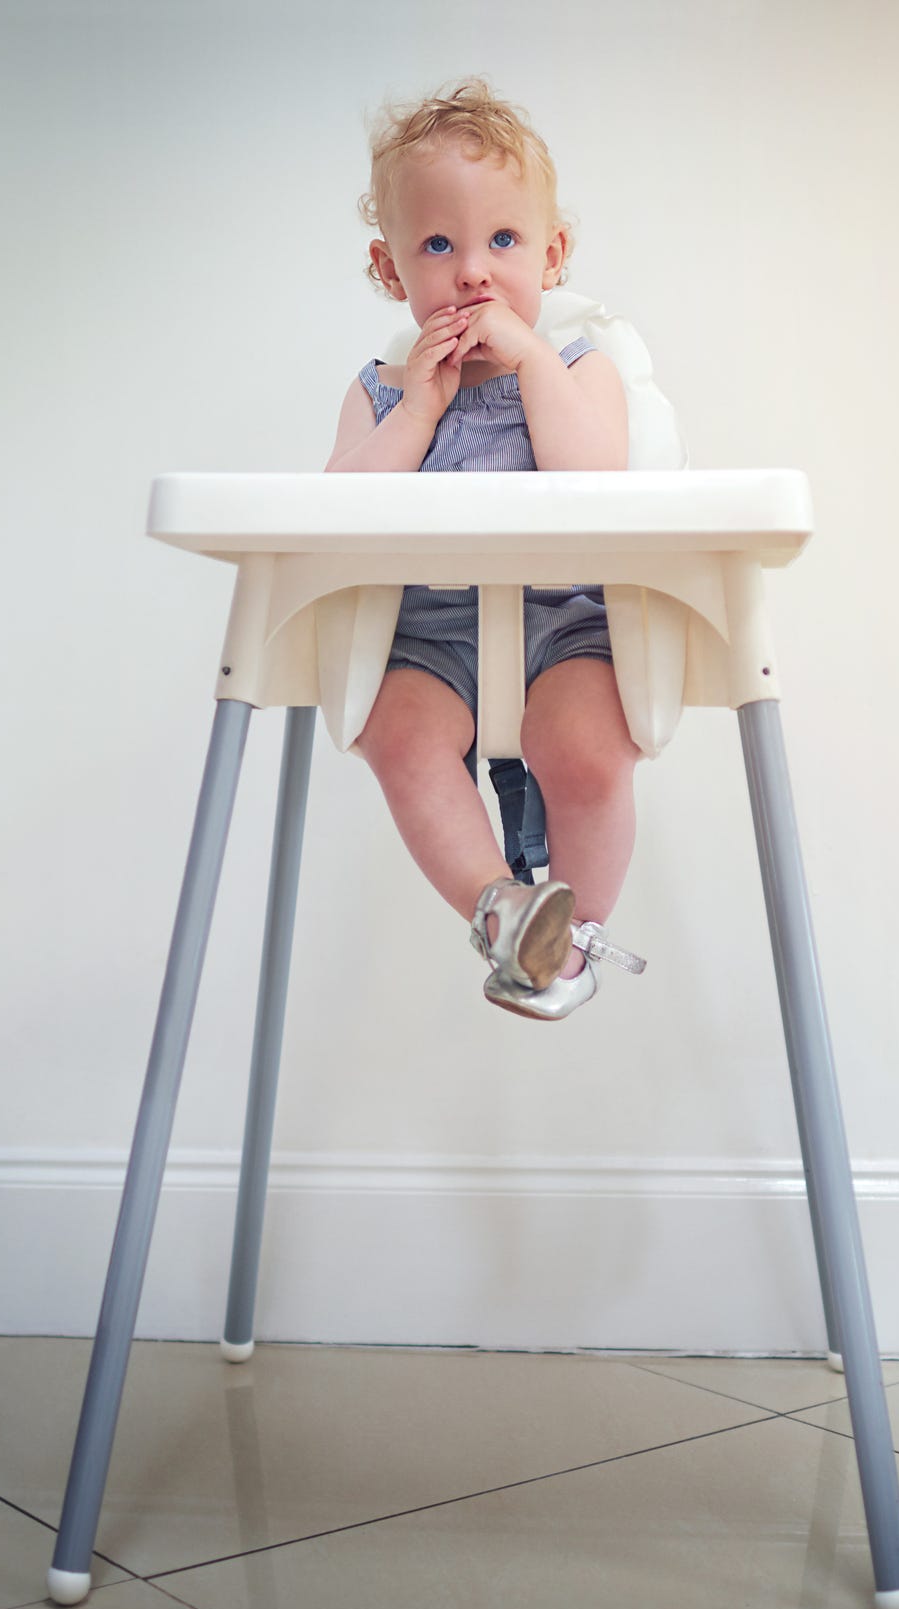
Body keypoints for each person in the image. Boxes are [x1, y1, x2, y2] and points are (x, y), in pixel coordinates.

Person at [323, 78, 644, 1021]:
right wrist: (421, 407)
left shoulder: (585, 369)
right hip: (429, 631)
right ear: (390, 271)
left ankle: (572, 937)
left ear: (553, 255)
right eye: (438, 245)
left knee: (585, 748)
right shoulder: (381, 390)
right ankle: (503, 908)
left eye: (503, 242)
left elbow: (594, 477)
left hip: (563, 620)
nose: (473, 272)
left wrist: (537, 361)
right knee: (398, 735)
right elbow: (335, 514)